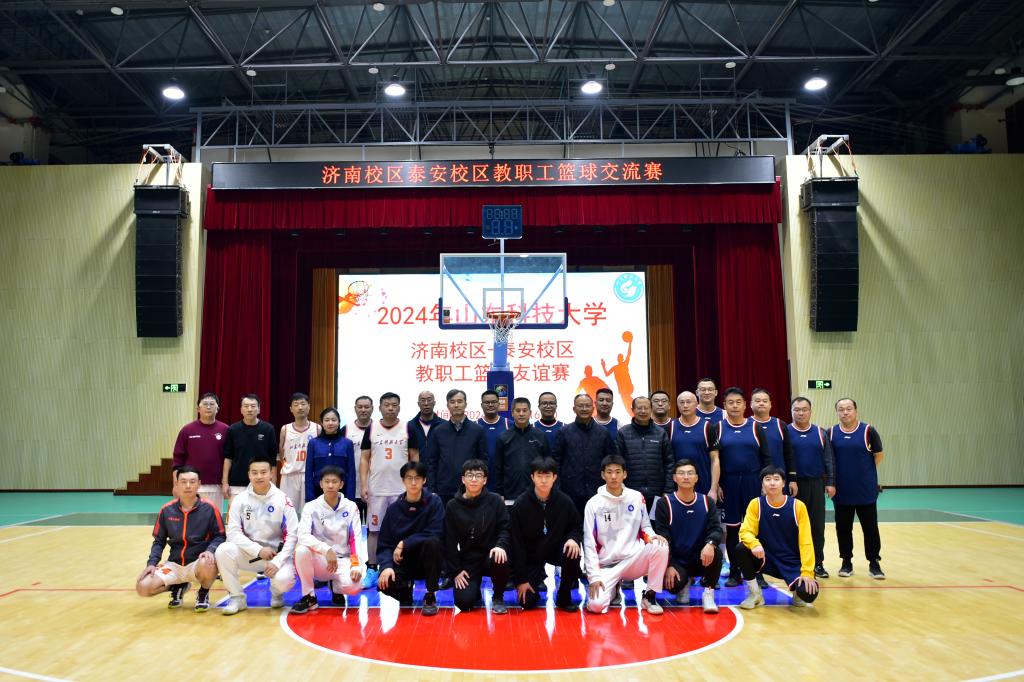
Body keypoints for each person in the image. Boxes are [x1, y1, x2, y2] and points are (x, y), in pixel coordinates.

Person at [583, 455, 669, 615]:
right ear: (603, 475)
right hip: (607, 566)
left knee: (660, 545)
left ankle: (649, 596)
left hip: (633, 560)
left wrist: (652, 536)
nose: (613, 476)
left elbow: (645, 526)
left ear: (625, 474)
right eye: (609, 472)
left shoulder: (636, 497)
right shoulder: (593, 504)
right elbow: (589, 543)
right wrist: (594, 577)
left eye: (617, 472)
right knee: (596, 606)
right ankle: (612, 588)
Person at [215, 456, 298, 615]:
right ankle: (237, 598)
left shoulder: (283, 500)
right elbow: (233, 532)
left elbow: (292, 536)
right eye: (254, 473)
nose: (259, 476)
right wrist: (258, 550)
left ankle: (277, 593)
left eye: (263, 472)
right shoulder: (239, 500)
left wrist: (278, 561)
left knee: (284, 581)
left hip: (276, 556)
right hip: (250, 553)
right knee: (223, 550)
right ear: (249, 475)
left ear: (271, 474)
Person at [136, 466, 224, 612]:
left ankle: (203, 592)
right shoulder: (166, 510)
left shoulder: (210, 508)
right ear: (176, 484)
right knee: (143, 587)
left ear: (199, 484)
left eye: (192, 481)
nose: (188, 486)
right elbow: (159, 541)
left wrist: (210, 550)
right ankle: (177, 586)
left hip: (198, 563)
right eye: (183, 482)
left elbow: (220, 535)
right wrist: (151, 563)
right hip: (174, 565)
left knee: (208, 562)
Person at [708, 387, 771, 587]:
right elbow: (715, 460)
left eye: (738, 402)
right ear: (724, 406)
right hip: (730, 484)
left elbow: (766, 458)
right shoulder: (717, 428)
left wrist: (765, 484)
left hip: (753, 482)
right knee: (733, 530)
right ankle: (735, 572)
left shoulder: (756, 428)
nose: (734, 406)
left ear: (745, 405)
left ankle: (758, 572)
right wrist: (717, 484)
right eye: (730, 403)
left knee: (756, 529)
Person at [735, 466, 820, 609]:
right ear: (762, 484)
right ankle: (755, 594)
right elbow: (745, 532)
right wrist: (754, 544)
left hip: (792, 560)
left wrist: (807, 572)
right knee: (741, 548)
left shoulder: (798, 506)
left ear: (783, 483)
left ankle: (797, 592)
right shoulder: (756, 504)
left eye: (776, 479)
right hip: (767, 557)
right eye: (768, 479)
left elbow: (806, 542)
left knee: (808, 593)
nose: (772, 483)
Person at [509, 457, 583, 612]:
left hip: (555, 549)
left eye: (547, 476)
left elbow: (576, 526)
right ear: (532, 477)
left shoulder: (564, 501)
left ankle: (564, 596)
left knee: (573, 551)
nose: (543, 481)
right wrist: (521, 580)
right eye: (539, 476)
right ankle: (534, 584)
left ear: (554, 477)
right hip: (532, 555)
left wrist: (573, 539)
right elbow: (516, 544)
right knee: (527, 603)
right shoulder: (520, 504)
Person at [360, 391, 417, 588]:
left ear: (399, 407)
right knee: (374, 530)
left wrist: (414, 485)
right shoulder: (372, 428)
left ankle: (405, 568)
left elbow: (414, 458)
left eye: (394, 405)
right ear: (380, 407)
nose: (391, 408)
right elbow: (364, 458)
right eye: (387, 405)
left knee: (405, 530)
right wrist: (364, 485)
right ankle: (372, 568)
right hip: (377, 489)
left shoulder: (408, 427)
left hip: (402, 490)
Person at [652, 460, 724, 613]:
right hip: (677, 561)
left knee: (716, 551)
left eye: (690, 473)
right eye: (681, 473)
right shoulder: (664, 503)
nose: (686, 477)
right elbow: (662, 537)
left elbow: (716, 529)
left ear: (696, 478)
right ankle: (683, 583)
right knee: (673, 585)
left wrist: (710, 544)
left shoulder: (707, 501)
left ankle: (708, 593)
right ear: (674, 478)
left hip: (701, 557)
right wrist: (668, 564)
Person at [291, 466, 364, 614]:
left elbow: (355, 538)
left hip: (343, 559)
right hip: (321, 559)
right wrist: (326, 550)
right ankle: (309, 596)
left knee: (354, 587)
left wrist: (355, 565)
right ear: (321, 484)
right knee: (301, 551)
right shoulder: (311, 507)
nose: (330, 485)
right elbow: (303, 535)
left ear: (341, 484)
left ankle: (336, 586)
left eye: (334, 482)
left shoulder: (351, 507)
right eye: (327, 481)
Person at [376, 461, 445, 616]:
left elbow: (436, 532)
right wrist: (386, 566)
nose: (413, 482)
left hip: (426, 560)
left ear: (424, 480)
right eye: (409, 478)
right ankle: (405, 590)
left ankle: (430, 594)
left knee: (433, 543)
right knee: (385, 582)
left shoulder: (434, 502)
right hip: (403, 561)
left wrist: (405, 543)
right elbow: (384, 543)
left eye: (417, 478)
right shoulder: (394, 509)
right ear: (403, 480)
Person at [443, 459, 511, 614]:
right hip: (468, 559)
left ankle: (498, 596)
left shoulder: (495, 500)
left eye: (478, 475)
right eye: (470, 475)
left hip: (491, 555)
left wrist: (500, 545)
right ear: (463, 479)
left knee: (500, 557)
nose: (474, 479)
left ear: (485, 480)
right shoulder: (452, 505)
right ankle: (474, 591)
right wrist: (456, 571)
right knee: (464, 603)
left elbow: (505, 528)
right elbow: (449, 541)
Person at [830, 398, 886, 579]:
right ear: (837, 412)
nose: (845, 412)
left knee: (870, 528)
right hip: (841, 491)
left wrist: (864, 473)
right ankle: (846, 562)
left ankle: (874, 563)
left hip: (865, 490)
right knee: (843, 528)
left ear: (855, 410)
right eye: (841, 409)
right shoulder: (831, 433)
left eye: (848, 409)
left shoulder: (868, 431)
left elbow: (878, 455)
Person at [789, 396, 835, 579]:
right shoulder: (785, 431)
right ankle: (796, 562)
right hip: (793, 486)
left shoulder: (820, 433)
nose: (800, 413)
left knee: (817, 526)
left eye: (804, 409)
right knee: (794, 525)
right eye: (797, 409)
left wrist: (830, 482)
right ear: (791, 411)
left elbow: (829, 459)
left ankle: (818, 563)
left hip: (816, 484)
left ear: (810, 411)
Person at [552, 393, 616, 517]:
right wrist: (557, 488)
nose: (584, 409)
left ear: (593, 408)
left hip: (598, 491)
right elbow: (556, 462)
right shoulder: (564, 432)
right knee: (572, 525)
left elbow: (611, 461)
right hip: (570, 491)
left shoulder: (603, 433)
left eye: (587, 406)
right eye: (580, 406)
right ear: (574, 409)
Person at [421, 389, 487, 507]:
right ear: (447, 405)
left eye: (459, 401)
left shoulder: (477, 430)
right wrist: (431, 490)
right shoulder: (438, 431)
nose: (456, 405)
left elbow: (483, 461)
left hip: (470, 490)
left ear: (466, 404)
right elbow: (431, 463)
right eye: (452, 402)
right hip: (443, 491)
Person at [172, 392, 229, 511]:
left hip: (216, 485)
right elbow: (178, 460)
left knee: (213, 517)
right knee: (190, 517)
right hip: (190, 484)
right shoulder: (187, 430)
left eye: (212, 404)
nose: (208, 407)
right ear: (198, 409)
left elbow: (229, 458)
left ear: (217, 408)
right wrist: (176, 485)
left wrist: (226, 482)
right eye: (205, 404)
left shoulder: (225, 430)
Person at [615, 396, 673, 510]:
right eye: (639, 408)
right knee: (632, 521)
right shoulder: (623, 433)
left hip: (657, 492)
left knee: (655, 521)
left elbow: (669, 463)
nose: (643, 411)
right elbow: (617, 463)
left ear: (651, 409)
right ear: (632, 410)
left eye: (646, 408)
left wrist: (668, 489)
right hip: (630, 493)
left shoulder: (661, 433)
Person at [222, 394, 278, 502]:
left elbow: (272, 459)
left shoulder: (268, 429)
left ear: (259, 409)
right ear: (241, 410)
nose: (249, 409)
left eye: (253, 406)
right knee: (236, 512)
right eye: (246, 406)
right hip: (237, 483)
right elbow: (228, 458)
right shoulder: (233, 429)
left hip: (262, 482)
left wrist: (273, 482)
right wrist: (225, 483)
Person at [493, 397, 550, 502]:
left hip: (537, 493)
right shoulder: (503, 437)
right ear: (512, 413)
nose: (521, 414)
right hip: (510, 494)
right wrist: (499, 492)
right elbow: (498, 468)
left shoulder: (540, 436)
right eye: (518, 411)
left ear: (530, 413)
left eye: (524, 410)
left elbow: (548, 466)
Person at [670, 391, 720, 499]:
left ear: (696, 404)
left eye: (688, 402)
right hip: (677, 485)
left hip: (704, 484)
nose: (685, 405)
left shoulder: (708, 427)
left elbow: (715, 460)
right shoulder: (671, 427)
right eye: (681, 402)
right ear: (677, 405)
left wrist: (713, 488)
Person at [278, 392, 321, 517]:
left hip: (309, 475)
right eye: (296, 405)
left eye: (303, 404)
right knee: (287, 512)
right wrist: (290, 465)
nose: (300, 407)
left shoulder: (317, 428)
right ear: (291, 409)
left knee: (308, 512)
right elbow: (281, 452)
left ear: (309, 406)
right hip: (289, 475)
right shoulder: (285, 429)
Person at [305, 407, 357, 505]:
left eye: (334, 420)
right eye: (327, 420)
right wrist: (310, 498)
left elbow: (351, 473)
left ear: (339, 422)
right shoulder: (313, 443)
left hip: (342, 492)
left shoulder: (347, 443)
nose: (330, 423)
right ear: (322, 422)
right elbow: (308, 473)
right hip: (318, 492)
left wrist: (350, 499)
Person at [750, 388, 796, 483]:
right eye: (757, 401)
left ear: (770, 404)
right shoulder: (746, 424)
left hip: (777, 479)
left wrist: (792, 479)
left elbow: (788, 454)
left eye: (765, 401)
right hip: (753, 479)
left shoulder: (780, 424)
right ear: (751, 404)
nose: (761, 403)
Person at [341, 395, 374, 511]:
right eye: (360, 407)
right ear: (355, 409)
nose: (363, 410)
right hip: (352, 485)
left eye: (366, 407)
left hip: (374, 485)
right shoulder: (345, 430)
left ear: (372, 408)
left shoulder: (378, 428)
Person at [477, 389, 510, 484]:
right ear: (481, 405)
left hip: (504, 478)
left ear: (499, 404)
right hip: (480, 478)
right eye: (487, 402)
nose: (490, 405)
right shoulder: (474, 426)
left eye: (494, 402)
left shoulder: (509, 425)